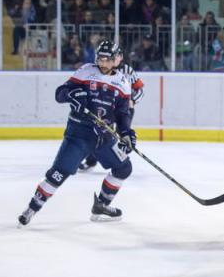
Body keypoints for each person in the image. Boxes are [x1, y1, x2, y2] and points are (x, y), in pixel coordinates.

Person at [17, 41, 135, 226]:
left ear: (115, 60)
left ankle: (101, 206)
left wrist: (127, 133)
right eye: (100, 59)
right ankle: (32, 207)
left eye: (107, 59)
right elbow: (60, 94)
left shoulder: (123, 82)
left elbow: (122, 113)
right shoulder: (86, 71)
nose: (102, 63)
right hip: (79, 133)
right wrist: (72, 95)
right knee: (58, 173)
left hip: (104, 137)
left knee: (123, 168)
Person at [79, 46, 145, 171]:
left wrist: (132, 100)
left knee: (122, 135)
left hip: (123, 109)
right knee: (100, 134)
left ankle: (121, 163)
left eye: (118, 56)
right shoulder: (100, 70)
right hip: (105, 108)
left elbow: (140, 90)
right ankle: (91, 161)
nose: (116, 58)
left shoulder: (128, 71)